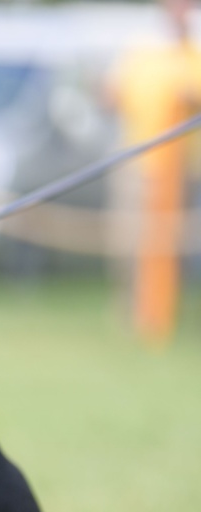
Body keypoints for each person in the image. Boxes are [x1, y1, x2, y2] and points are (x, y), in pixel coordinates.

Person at [109, 0, 201, 344]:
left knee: (173, 246)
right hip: (137, 164)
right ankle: (130, 315)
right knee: (128, 243)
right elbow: (117, 95)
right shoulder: (142, 49)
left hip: (181, 171)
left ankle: (163, 317)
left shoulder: (195, 53)